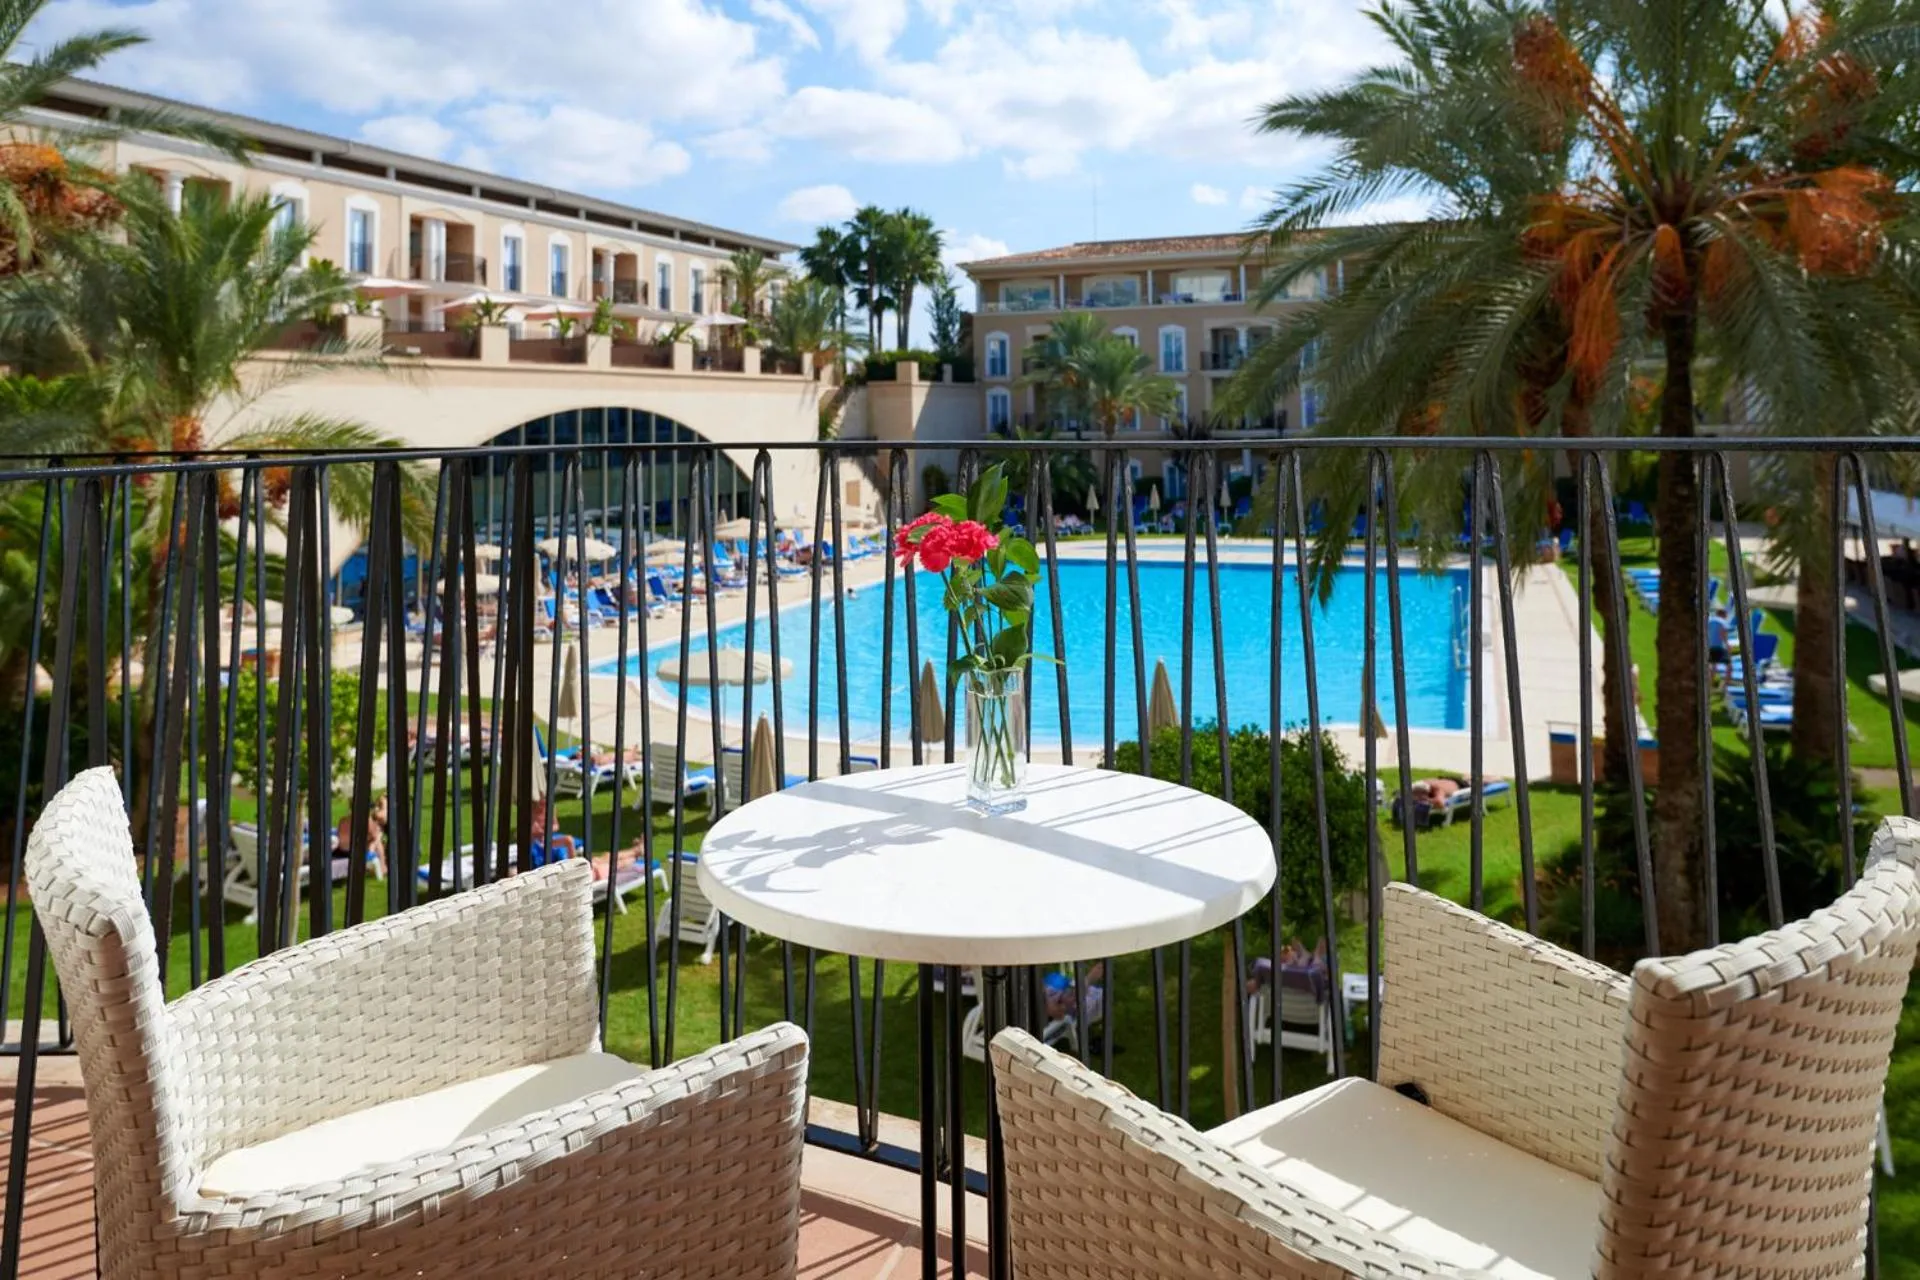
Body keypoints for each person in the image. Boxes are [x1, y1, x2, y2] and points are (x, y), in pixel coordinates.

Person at [1707, 605, 1731, 671]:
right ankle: (1727, 678)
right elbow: (1723, 634)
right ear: (1723, 615)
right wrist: (1727, 645)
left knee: (1712, 665)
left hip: (1710, 646)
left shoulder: (1709, 621)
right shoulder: (1722, 621)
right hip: (1719, 646)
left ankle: (1711, 677)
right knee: (1729, 665)